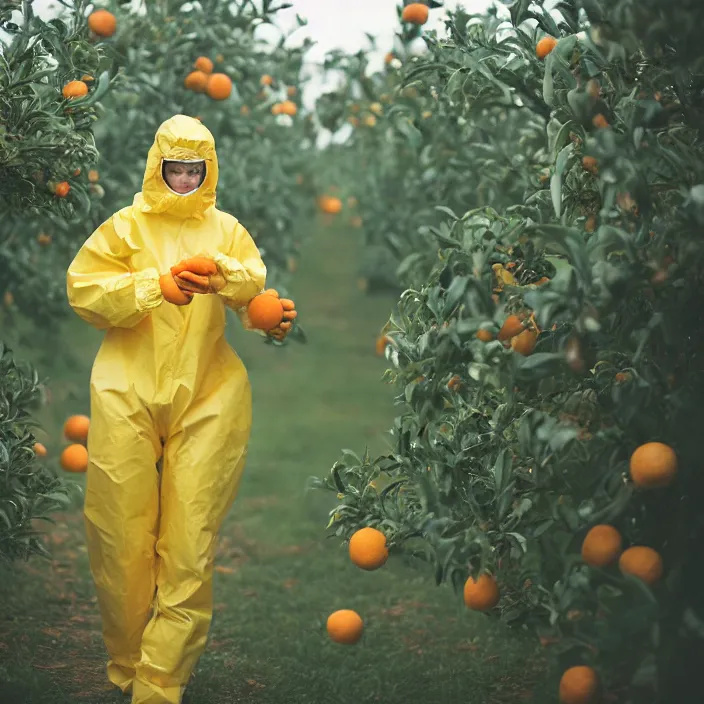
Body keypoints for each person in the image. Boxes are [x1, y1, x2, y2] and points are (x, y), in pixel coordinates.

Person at [66, 114, 296, 704]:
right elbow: (85, 290)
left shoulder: (225, 229)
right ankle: (127, 661)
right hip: (126, 392)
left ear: (209, 170)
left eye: (197, 169)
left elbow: (252, 290)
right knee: (120, 540)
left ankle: (160, 681)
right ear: (158, 166)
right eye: (177, 168)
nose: (187, 178)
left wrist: (252, 299)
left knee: (189, 544)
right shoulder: (124, 227)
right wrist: (151, 287)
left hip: (208, 397)